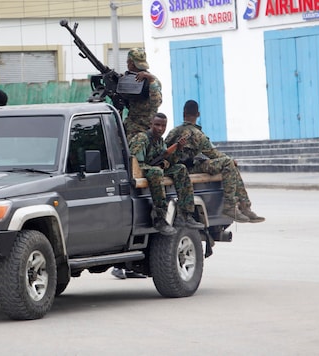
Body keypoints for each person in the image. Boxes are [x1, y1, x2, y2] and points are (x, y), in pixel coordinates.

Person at [112, 112, 204, 280]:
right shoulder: (142, 139)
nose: (160, 129)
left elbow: (169, 159)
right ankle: (159, 217)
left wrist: (177, 149)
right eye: (157, 125)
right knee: (155, 172)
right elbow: (136, 164)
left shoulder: (160, 141)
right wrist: (159, 165)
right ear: (151, 124)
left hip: (154, 168)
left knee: (180, 169)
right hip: (140, 170)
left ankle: (186, 212)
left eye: (163, 126)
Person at [165, 100, 265, 223]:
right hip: (189, 168)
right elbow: (213, 154)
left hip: (176, 167)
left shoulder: (173, 131)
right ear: (198, 114)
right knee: (229, 163)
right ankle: (234, 206)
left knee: (229, 163)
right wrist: (230, 160)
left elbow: (164, 149)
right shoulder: (197, 134)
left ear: (183, 113)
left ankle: (244, 206)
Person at [123, 48, 162, 141]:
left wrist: (151, 80)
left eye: (128, 62)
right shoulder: (129, 78)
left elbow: (157, 102)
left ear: (131, 63)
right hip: (131, 127)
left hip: (145, 130)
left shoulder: (151, 80)